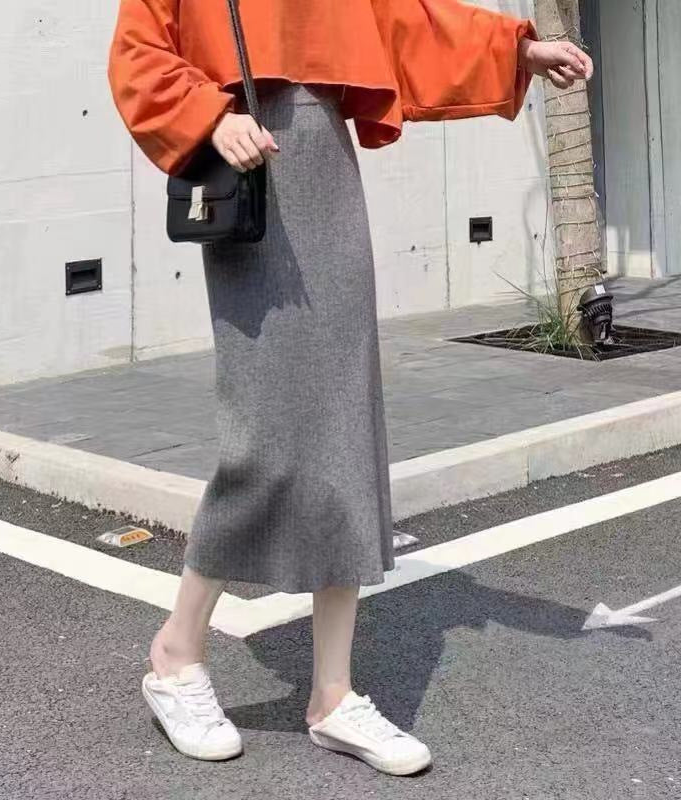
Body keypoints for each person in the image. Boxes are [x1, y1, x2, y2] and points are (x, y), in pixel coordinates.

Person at [108, 0, 593, 776]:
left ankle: (332, 695)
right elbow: (138, 54)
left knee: (344, 424)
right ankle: (176, 653)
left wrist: (516, 49)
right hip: (249, 164)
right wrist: (208, 116)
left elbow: (403, 20)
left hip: (326, 165)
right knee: (267, 434)